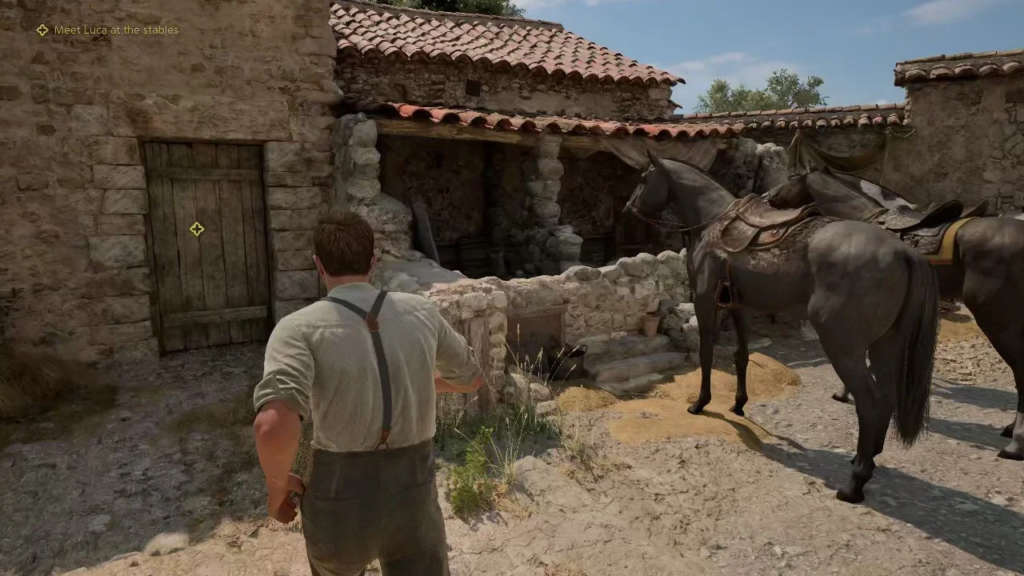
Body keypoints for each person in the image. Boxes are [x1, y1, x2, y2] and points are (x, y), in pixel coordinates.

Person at [252, 211, 484, 576]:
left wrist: (277, 490)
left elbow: (272, 425)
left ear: (318, 265)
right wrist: (418, 381)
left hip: (339, 505)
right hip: (414, 501)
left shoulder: (296, 329)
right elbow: (471, 379)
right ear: (373, 261)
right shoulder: (422, 311)